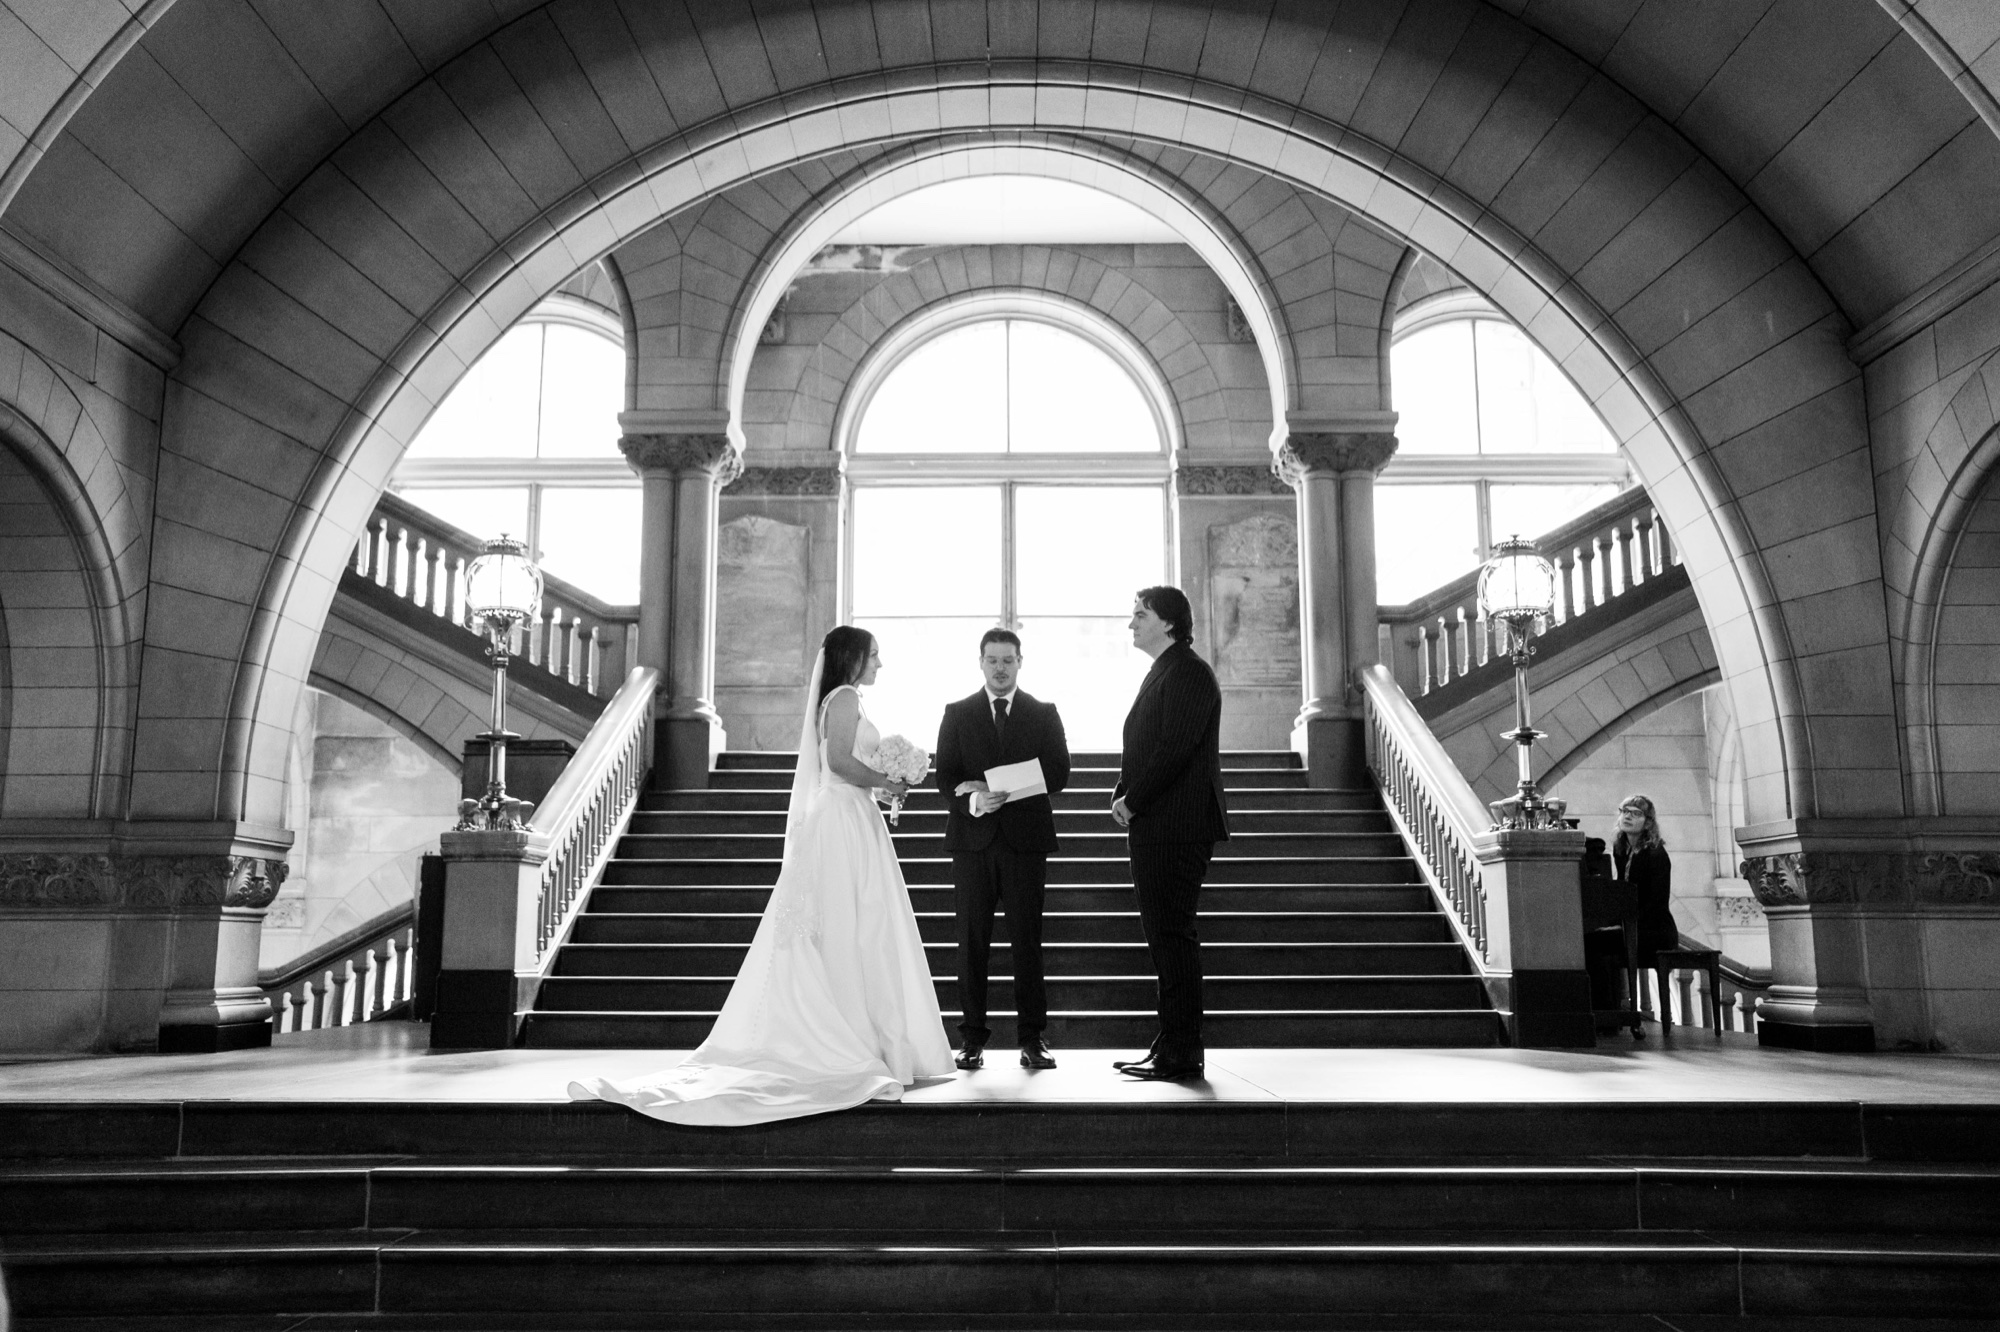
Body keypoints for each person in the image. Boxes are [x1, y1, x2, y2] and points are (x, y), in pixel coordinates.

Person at [568, 626, 953, 1124]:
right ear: (852, 658)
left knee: (866, 927)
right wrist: (886, 779)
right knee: (851, 927)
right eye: (874, 655)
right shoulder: (844, 699)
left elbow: (841, 767)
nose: (880, 663)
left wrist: (882, 788)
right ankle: (850, 1037)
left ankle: (872, 1035)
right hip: (842, 823)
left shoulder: (848, 700)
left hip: (852, 817)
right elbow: (836, 761)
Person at [933, 628, 1072, 1071]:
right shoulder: (957, 713)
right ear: (980, 662)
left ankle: (1033, 1039)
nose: (1000, 667)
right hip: (972, 844)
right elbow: (946, 777)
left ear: (1019, 662)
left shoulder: (1043, 712)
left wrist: (996, 784)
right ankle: (971, 1039)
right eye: (992, 660)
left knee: (1027, 943)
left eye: (1008, 660)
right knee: (971, 942)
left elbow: (1059, 772)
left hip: (1024, 844)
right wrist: (975, 799)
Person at [1109, 586, 1229, 1081]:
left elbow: (1175, 748)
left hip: (1175, 826)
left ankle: (1182, 1050)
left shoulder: (1189, 673)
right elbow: (1150, 744)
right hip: (1159, 824)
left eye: (1141, 614)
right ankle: (1171, 1041)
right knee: (1164, 938)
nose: (1131, 623)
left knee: (1172, 937)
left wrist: (1132, 800)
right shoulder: (1167, 670)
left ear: (1169, 622)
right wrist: (1125, 790)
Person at [1585, 794, 1678, 1017]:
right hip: (1634, 926)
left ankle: (1607, 1014)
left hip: (1655, 930)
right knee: (1592, 942)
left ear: (1647, 822)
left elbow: (1656, 904)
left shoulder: (1655, 855)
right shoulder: (1622, 849)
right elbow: (1621, 895)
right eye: (1625, 811)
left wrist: (1623, 927)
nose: (1627, 816)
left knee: (1592, 944)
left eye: (1635, 813)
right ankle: (1605, 1011)